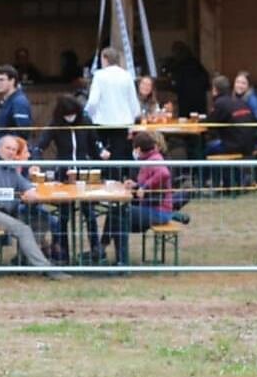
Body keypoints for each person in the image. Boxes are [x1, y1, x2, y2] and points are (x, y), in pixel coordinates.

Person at [0, 135, 68, 280]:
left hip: (7, 212)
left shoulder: (11, 168)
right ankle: (46, 268)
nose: (11, 152)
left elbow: (24, 185)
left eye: (14, 150)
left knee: (41, 220)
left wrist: (30, 191)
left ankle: (22, 261)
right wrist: (2, 199)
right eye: (8, 148)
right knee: (23, 229)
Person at [32, 93, 104, 262]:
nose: (70, 117)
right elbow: (40, 146)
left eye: (72, 113)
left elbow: (94, 144)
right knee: (64, 216)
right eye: (66, 114)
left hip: (84, 173)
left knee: (89, 214)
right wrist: (36, 162)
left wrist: (101, 154)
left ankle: (95, 248)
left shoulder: (85, 122)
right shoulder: (55, 125)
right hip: (63, 175)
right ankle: (62, 251)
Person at [103, 131, 173, 265]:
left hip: (159, 212)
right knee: (116, 213)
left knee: (119, 212)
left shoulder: (155, 160)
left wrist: (144, 187)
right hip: (149, 209)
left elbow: (164, 173)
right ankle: (105, 251)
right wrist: (136, 185)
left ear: (138, 149)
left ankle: (120, 260)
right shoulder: (148, 159)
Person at [85, 47, 141, 177]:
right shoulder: (127, 75)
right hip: (122, 122)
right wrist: (134, 120)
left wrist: (88, 114)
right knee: (118, 156)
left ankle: (102, 182)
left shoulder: (99, 75)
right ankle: (116, 183)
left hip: (102, 121)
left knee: (101, 154)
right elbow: (133, 101)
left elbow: (93, 101)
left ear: (105, 59)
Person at [205, 75, 257, 157]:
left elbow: (210, 124)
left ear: (215, 90)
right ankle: (232, 170)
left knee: (205, 148)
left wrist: (199, 121)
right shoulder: (240, 101)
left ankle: (197, 169)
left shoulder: (220, 103)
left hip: (234, 146)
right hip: (251, 145)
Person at [166, 41, 209, 117]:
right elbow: (206, 82)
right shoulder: (196, 63)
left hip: (185, 100)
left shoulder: (178, 66)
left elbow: (176, 84)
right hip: (199, 99)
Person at [0, 64, 32, 141]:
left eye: (1, 80)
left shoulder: (19, 102)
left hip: (13, 149)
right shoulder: (5, 100)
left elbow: (23, 132)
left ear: (12, 81)